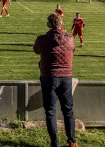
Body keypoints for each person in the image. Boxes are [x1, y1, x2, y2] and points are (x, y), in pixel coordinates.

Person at [33, 13, 78, 147]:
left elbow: (36, 50)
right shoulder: (70, 38)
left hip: (49, 77)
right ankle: (72, 141)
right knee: (68, 110)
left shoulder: (42, 39)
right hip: (66, 77)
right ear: (62, 24)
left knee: (50, 112)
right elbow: (73, 50)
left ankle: (55, 144)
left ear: (48, 24)